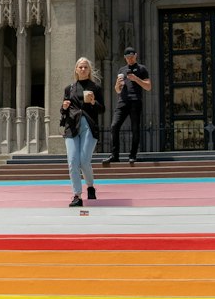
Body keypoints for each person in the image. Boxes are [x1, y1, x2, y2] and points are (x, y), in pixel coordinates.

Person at [60, 56, 105, 208]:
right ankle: (77, 195)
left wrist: (93, 102)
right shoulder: (69, 88)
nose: (83, 69)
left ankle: (90, 186)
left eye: (86, 67)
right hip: (72, 126)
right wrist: (64, 106)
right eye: (80, 67)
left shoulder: (95, 88)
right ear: (76, 70)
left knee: (84, 161)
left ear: (89, 70)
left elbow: (102, 109)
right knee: (73, 162)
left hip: (88, 126)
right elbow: (63, 111)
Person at [104, 45, 152, 166]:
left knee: (135, 128)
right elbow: (117, 90)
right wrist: (117, 85)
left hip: (135, 101)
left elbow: (148, 86)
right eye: (127, 57)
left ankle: (132, 155)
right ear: (125, 58)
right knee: (114, 126)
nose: (130, 59)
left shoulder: (142, 69)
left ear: (135, 56)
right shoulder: (121, 70)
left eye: (131, 57)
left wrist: (136, 79)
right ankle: (115, 155)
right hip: (123, 101)